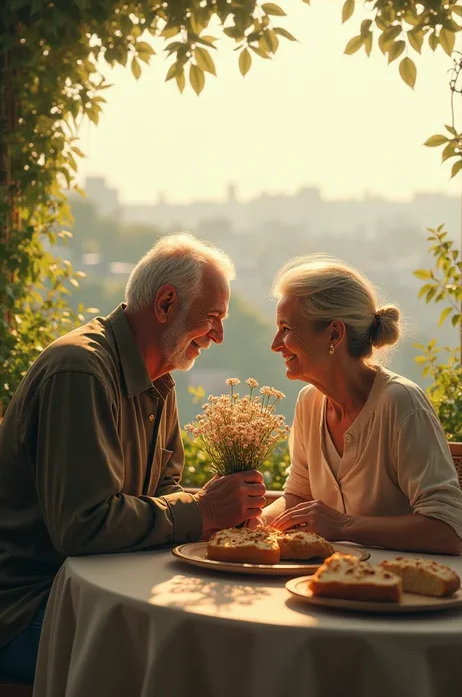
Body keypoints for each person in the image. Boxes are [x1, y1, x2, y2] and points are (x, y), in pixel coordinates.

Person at [0, 233, 266, 683]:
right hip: (28, 609)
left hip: (99, 588)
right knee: (186, 658)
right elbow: (83, 525)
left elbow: (164, 488)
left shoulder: (159, 377)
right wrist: (203, 510)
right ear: (165, 304)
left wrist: (220, 518)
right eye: (213, 318)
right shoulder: (80, 371)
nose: (219, 335)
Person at [262, 254, 462, 555]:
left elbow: (449, 530)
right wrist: (257, 524)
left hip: (400, 589)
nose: (275, 344)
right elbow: (298, 495)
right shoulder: (309, 402)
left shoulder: (401, 403)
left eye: (286, 328)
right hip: (331, 582)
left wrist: (343, 526)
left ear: (335, 333)